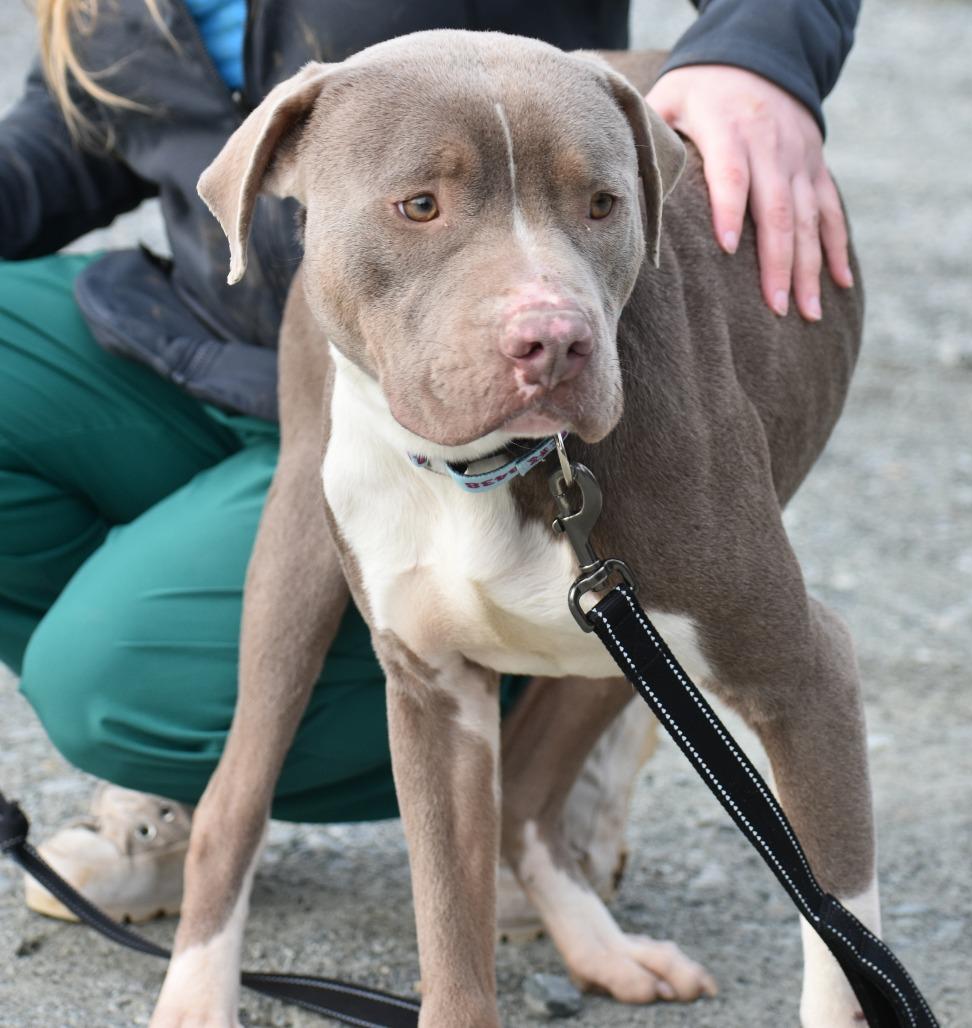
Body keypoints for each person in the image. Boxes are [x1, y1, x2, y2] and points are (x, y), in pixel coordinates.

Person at [0, 0, 860, 925]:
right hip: (210, 335)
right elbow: (79, 134)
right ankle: (191, 746)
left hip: (464, 380)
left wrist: (760, 52)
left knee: (114, 683)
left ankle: (566, 688)